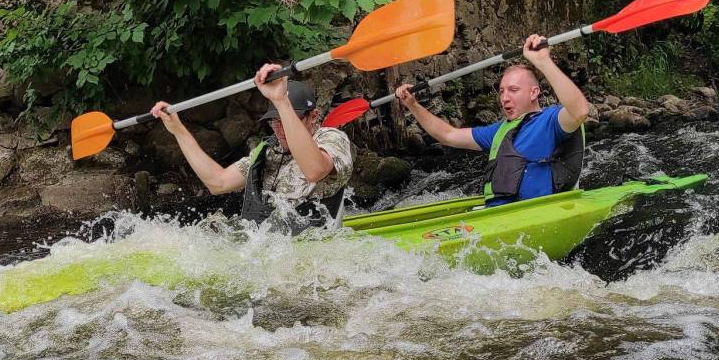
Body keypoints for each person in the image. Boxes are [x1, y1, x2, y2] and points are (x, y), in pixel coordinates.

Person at [394, 34, 590, 206]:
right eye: (502, 91)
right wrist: (413, 105)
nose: (504, 98)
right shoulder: (498, 131)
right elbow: (448, 135)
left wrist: (543, 62)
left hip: (532, 212)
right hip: (497, 211)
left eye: (513, 90)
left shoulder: (550, 121)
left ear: (534, 92)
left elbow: (580, 111)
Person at [150, 63, 353, 225]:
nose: (280, 128)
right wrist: (177, 130)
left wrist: (281, 102)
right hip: (271, 242)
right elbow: (218, 183)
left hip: (314, 241)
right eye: (275, 121)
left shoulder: (331, 138)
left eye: (287, 119)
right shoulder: (268, 151)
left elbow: (314, 170)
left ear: (313, 117)